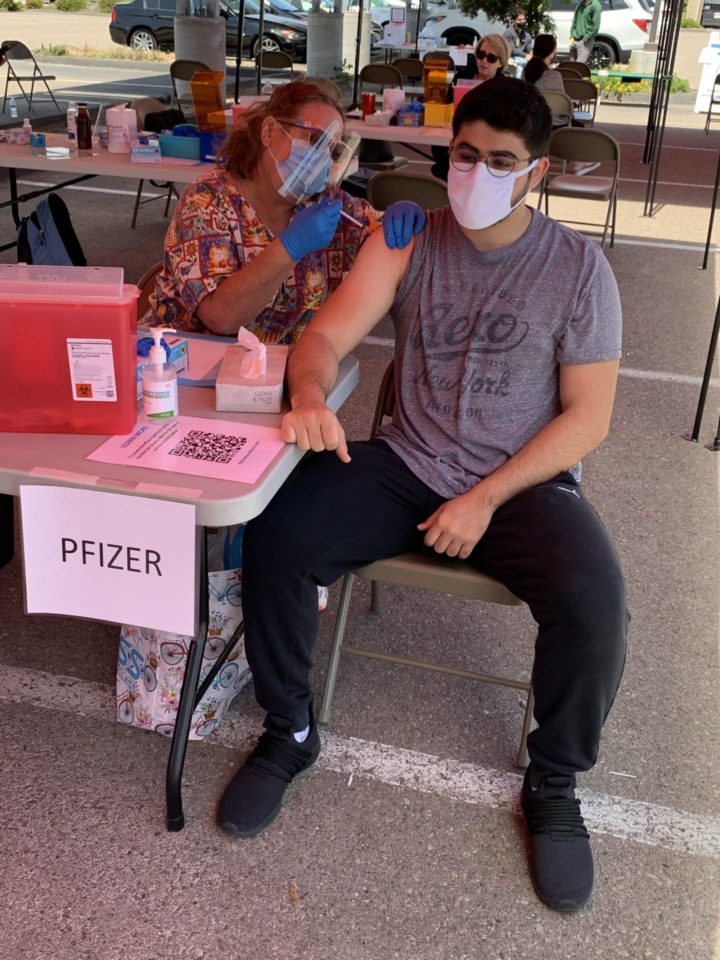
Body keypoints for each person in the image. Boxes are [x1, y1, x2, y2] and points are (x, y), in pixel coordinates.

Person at [217, 76, 628, 915]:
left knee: (596, 603)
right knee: (278, 533)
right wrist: (306, 398)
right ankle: (290, 729)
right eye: (466, 156)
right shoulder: (408, 238)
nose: (477, 174)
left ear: (538, 173)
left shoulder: (579, 269)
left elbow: (588, 419)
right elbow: (327, 334)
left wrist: (486, 496)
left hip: (521, 480)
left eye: (502, 162)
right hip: (409, 457)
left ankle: (553, 779)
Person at [144, 82, 424, 344]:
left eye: (331, 149)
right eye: (313, 139)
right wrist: (290, 247)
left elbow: (386, 233)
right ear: (268, 132)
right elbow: (220, 316)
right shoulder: (208, 201)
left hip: (271, 377)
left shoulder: (324, 205)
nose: (321, 158)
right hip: (177, 368)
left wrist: (404, 216)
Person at [430, 33, 510, 181]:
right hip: (455, 137)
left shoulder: (505, 88)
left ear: (501, 62)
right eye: (480, 54)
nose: (484, 61)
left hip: (486, 145)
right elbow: (448, 105)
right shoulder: (462, 76)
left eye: (491, 58)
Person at [503, 9, 534, 79]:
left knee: (520, 67)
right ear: (514, 21)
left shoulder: (527, 36)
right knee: (516, 65)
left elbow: (529, 50)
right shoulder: (508, 33)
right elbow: (512, 50)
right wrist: (526, 56)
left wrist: (530, 54)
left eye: (523, 19)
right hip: (510, 59)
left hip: (522, 61)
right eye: (519, 20)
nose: (522, 21)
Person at [570, 0, 602, 65]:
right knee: (571, 67)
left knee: (578, 68)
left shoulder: (595, 5)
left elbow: (595, 27)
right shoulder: (580, 4)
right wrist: (571, 38)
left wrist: (585, 39)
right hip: (573, 41)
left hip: (584, 43)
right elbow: (574, 23)